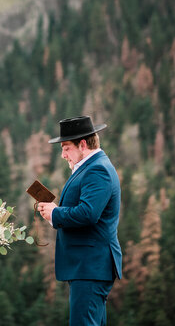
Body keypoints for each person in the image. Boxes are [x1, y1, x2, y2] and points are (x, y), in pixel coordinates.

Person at [38, 115, 122, 326]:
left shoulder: (97, 170)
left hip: (91, 266)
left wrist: (55, 214)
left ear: (82, 144)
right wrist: (53, 214)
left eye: (66, 148)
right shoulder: (91, 167)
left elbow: (88, 213)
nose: (63, 154)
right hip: (89, 266)